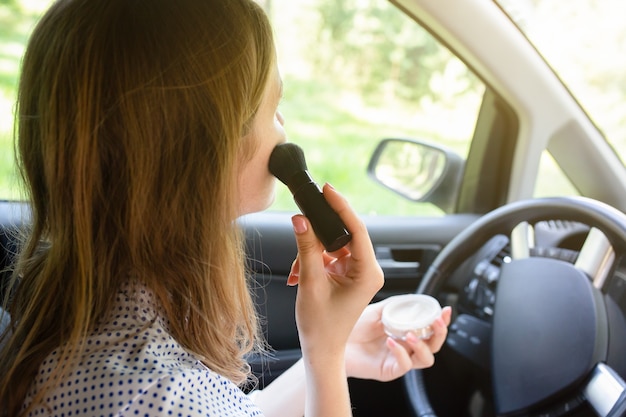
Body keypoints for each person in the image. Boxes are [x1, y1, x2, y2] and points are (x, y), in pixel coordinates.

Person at [0, 0, 451, 416]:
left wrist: (338, 351)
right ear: (202, 153)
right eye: (272, 108)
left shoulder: (87, 307)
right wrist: (327, 354)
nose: (283, 127)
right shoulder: (157, 392)